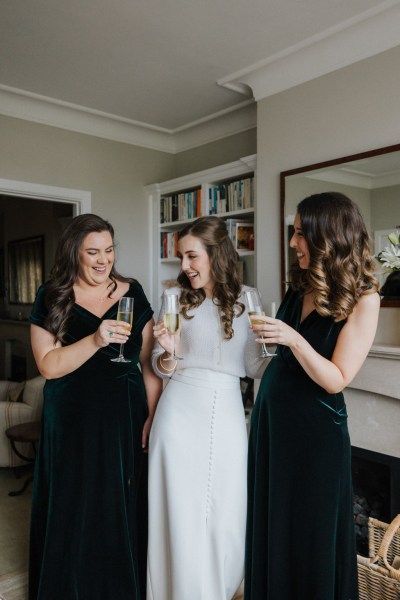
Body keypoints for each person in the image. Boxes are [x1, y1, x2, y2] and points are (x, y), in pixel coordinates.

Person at [245, 192, 380, 600]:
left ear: (328, 236)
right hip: (273, 426)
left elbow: (336, 378)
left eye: (300, 233)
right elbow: (274, 358)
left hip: (316, 435)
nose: (292, 242)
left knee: (312, 535)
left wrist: (293, 338)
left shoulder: (364, 299)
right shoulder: (299, 286)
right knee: (275, 527)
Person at [29, 213, 162, 600]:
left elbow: (150, 362)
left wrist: (152, 415)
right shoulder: (51, 295)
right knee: (74, 508)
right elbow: (48, 366)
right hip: (72, 420)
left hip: (125, 416)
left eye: (108, 250)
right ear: (74, 253)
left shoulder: (133, 291)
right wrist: (95, 340)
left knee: (118, 505)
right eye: (92, 252)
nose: (103, 260)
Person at [147, 216, 260, 600]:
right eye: (181, 258)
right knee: (177, 511)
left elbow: (252, 367)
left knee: (226, 512)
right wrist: (171, 351)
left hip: (227, 413)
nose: (184, 267)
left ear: (216, 254)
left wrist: (271, 345)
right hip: (177, 410)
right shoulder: (174, 299)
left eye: (192, 256)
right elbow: (160, 365)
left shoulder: (248, 298)